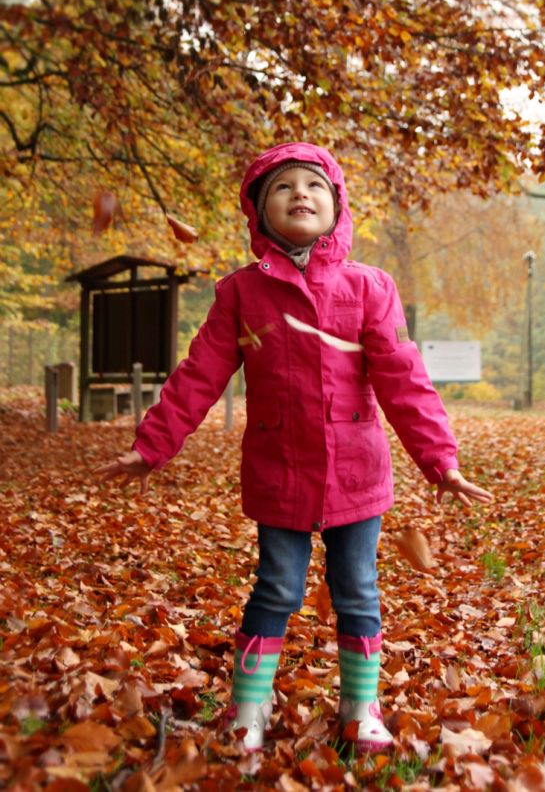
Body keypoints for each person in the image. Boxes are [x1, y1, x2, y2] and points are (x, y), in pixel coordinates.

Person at [96, 142, 492, 753]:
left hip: (357, 477)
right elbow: (198, 375)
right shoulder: (241, 295)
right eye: (282, 188)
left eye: (314, 185)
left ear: (337, 207)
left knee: (357, 589)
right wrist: (153, 447)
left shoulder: (369, 289)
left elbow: (404, 380)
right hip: (279, 472)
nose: (299, 195)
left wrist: (440, 461)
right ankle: (247, 709)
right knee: (276, 587)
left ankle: (361, 707)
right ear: (259, 213)